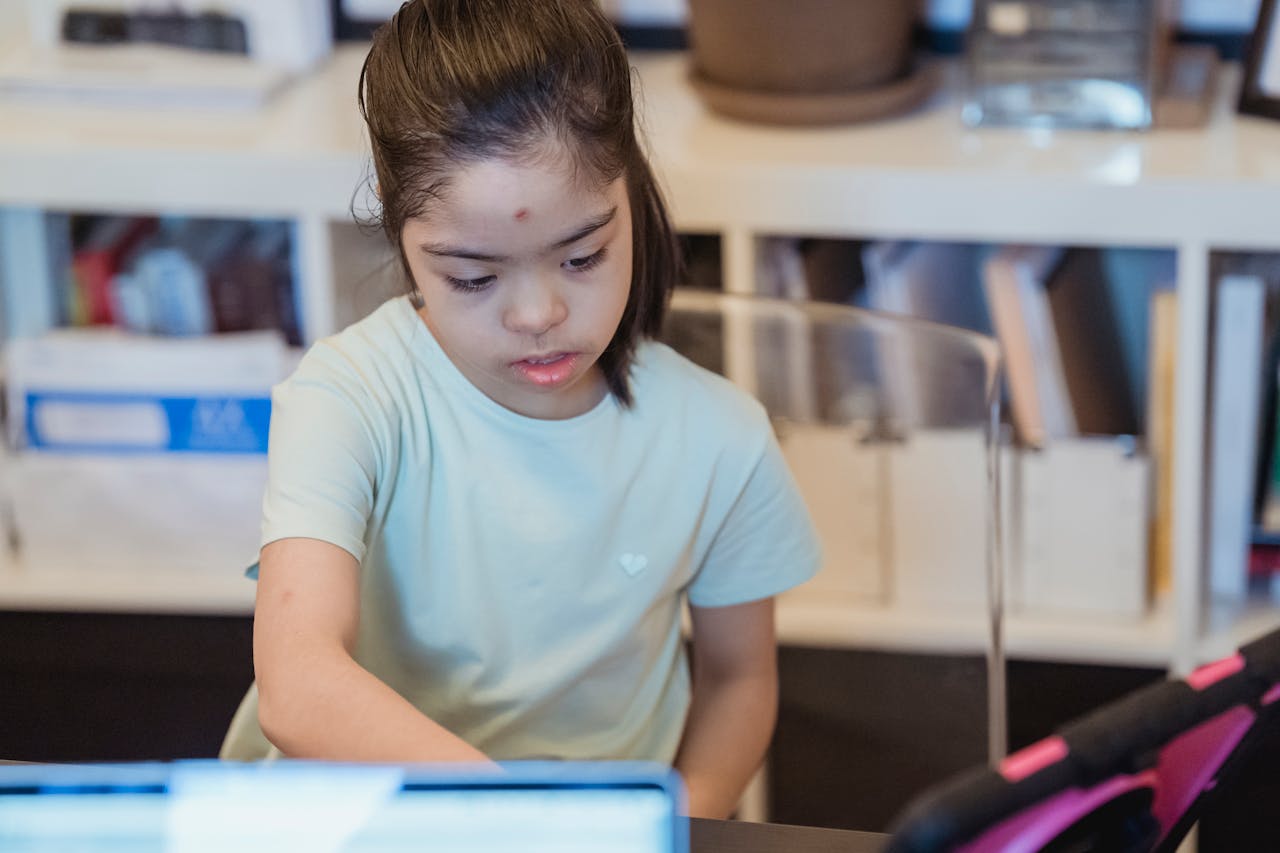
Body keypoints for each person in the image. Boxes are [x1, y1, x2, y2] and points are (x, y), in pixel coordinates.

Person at [220, 0, 820, 820]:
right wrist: (519, 818)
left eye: (582, 257)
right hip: (352, 818)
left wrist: (678, 823)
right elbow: (298, 685)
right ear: (403, 240)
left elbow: (739, 679)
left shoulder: (721, 440)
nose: (537, 314)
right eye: (473, 276)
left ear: (629, 198)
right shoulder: (349, 399)